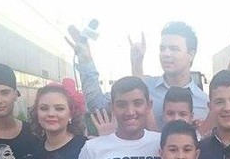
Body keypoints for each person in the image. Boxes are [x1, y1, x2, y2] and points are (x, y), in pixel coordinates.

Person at [66, 21, 209, 131]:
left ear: (191, 55)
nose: (166, 54)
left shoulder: (205, 103)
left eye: (174, 49)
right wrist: (86, 61)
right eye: (162, 48)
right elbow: (97, 106)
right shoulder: (144, 86)